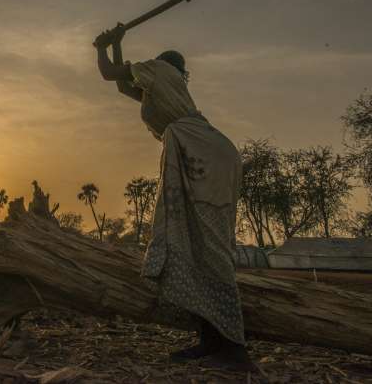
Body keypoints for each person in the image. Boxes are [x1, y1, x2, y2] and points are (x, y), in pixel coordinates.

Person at [94, 25, 255, 371]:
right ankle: (210, 341)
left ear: (163, 67)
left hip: (203, 154)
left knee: (211, 249)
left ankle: (235, 348)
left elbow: (109, 74)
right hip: (210, 152)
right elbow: (124, 85)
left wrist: (100, 47)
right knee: (200, 246)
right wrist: (118, 44)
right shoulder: (165, 86)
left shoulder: (159, 70)